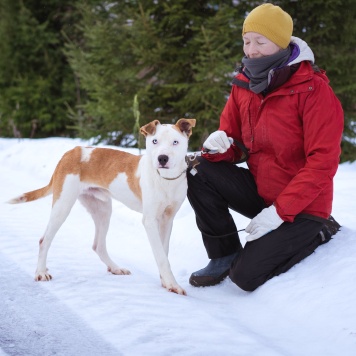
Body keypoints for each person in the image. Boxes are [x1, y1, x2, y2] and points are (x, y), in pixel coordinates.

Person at [187, 3, 344, 292]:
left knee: (245, 277)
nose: (252, 50)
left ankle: (321, 232)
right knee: (199, 169)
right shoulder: (244, 84)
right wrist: (216, 146)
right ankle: (224, 253)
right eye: (247, 41)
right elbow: (234, 144)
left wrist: (279, 213)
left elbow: (323, 163)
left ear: (282, 43)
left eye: (261, 41)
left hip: (305, 207)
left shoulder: (313, 90)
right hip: (263, 193)